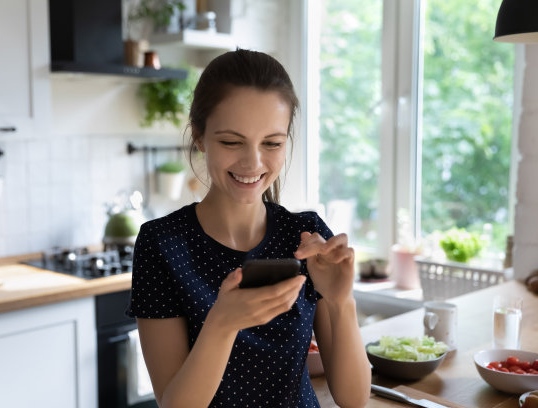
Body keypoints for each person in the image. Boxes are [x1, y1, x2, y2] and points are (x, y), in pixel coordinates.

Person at [127, 49, 371, 408]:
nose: (253, 162)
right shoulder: (162, 244)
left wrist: (340, 301)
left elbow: (353, 400)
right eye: (231, 141)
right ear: (199, 136)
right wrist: (222, 325)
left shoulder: (305, 235)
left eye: (272, 143)